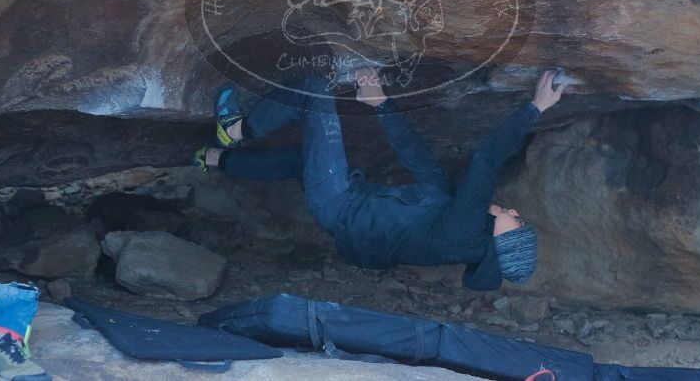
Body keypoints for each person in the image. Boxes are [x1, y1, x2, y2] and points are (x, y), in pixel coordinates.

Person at [193, 69, 566, 290]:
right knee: (301, 161)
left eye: (518, 221)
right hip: (347, 206)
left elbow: (486, 159)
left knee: (314, 90)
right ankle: (214, 159)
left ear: (506, 241)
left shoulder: (465, 233)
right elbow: (423, 164)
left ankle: (236, 130)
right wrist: (381, 105)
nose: (515, 212)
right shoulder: (456, 229)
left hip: (340, 203)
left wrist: (536, 108)